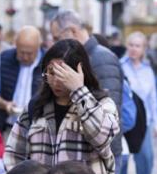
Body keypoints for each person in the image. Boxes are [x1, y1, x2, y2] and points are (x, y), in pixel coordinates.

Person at [5, 39, 120, 174]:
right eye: (51, 73)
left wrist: (79, 91)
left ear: (80, 72)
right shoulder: (36, 106)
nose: (56, 81)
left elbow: (102, 138)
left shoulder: (102, 104)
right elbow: (14, 153)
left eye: (63, 74)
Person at [49, 10, 125, 164]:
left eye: (57, 38)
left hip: (101, 153)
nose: (54, 44)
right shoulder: (82, 56)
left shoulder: (101, 58)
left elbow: (110, 113)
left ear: (72, 31)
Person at [120, 32, 157, 174]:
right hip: (125, 120)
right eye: (131, 45)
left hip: (145, 122)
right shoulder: (120, 66)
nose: (133, 49)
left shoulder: (148, 70)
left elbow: (152, 99)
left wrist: (156, 123)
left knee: (146, 159)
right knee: (122, 161)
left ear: (144, 49)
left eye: (138, 46)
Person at [0, 26, 44, 133]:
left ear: (38, 47)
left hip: (38, 129)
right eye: (21, 52)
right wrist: (5, 104)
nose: (25, 57)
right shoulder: (3, 59)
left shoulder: (48, 62)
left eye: (30, 53)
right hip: (7, 126)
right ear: (15, 45)